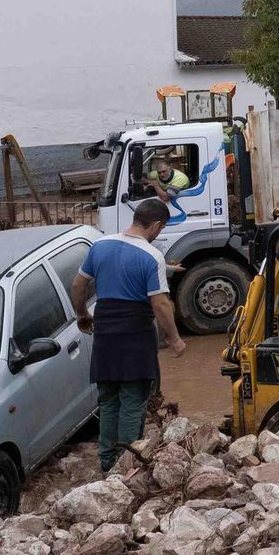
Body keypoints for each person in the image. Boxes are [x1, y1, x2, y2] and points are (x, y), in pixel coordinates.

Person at [71, 199, 187, 473]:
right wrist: (174, 340)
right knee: (133, 400)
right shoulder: (151, 256)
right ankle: (128, 464)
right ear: (156, 225)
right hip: (135, 331)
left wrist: (81, 315)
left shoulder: (100, 246)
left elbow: (79, 284)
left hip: (105, 330)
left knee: (108, 399)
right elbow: (159, 303)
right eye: (161, 229)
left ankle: (107, 461)